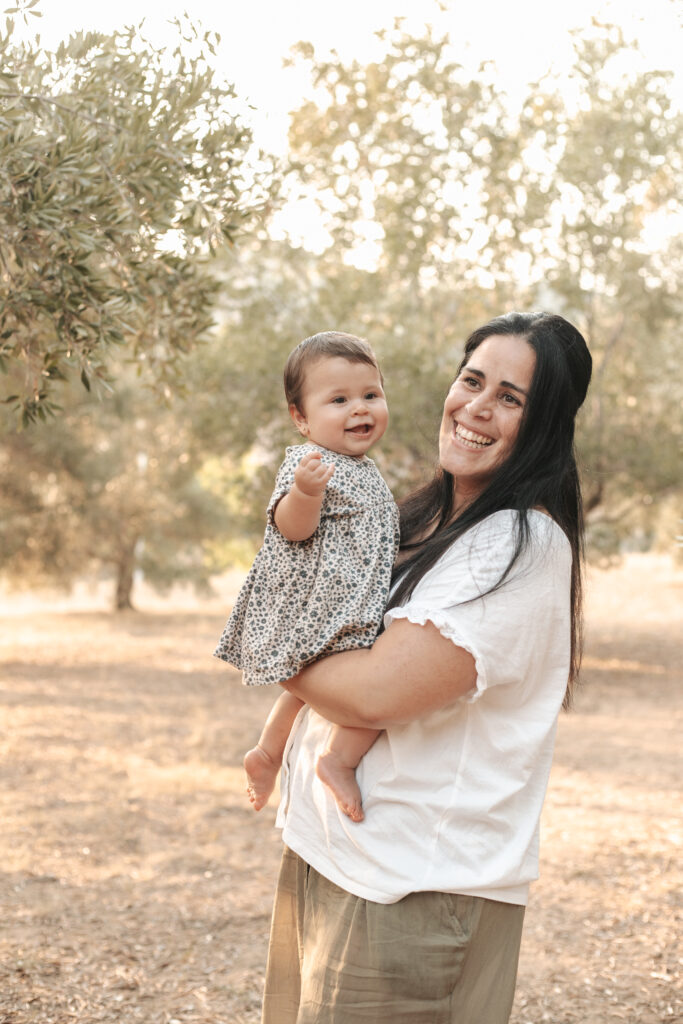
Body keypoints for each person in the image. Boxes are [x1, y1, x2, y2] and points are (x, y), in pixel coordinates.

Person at [260, 311, 593, 1024]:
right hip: (338, 861)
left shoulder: (518, 545)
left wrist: (267, 636)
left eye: (510, 398)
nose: (477, 407)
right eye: (472, 380)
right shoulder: (418, 518)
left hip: (415, 893)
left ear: (545, 425)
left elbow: (371, 693)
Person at [214, 331, 400, 823]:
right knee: (379, 693)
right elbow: (290, 528)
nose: (359, 408)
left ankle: (267, 752)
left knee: (309, 690)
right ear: (301, 418)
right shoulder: (308, 464)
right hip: (325, 606)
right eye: (339, 400)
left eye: (370, 394)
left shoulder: (365, 468)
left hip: (350, 605)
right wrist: (305, 493)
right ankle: (338, 760)